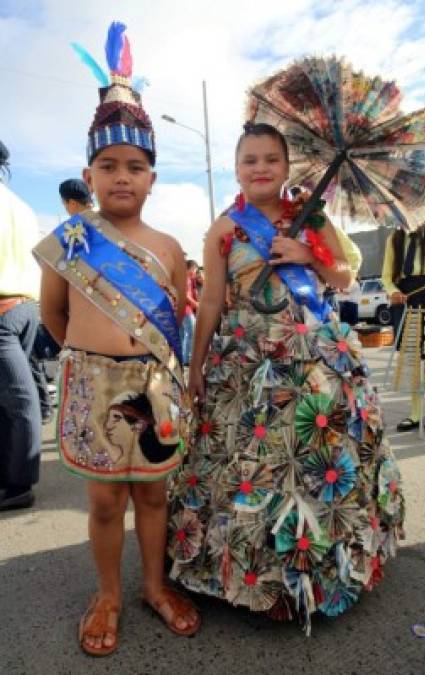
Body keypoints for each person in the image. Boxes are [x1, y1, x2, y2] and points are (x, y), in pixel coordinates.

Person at [168, 122, 405, 633]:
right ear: (237, 168)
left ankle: (322, 571)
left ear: (286, 166)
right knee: (253, 464)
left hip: (313, 358)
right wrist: (196, 366)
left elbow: (344, 275)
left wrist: (308, 256)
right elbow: (210, 301)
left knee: (315, 456)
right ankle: (249, 570)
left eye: (270, 159)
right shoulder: (224, 229)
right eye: (250, 159)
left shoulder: (310, 215)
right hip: (247, 362)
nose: (260, 168)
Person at [33, 22, 199, 656]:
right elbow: (54, 317)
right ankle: (107, 593)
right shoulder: (70, 244)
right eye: (108, 166)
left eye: (135, 166)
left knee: (153, 493)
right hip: (92, 384)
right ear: (89, 172)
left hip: (154, 388)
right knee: (105, 503)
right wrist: (94, 361)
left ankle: (154, 586)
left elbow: (176, 322)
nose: (121, 177)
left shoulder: (169, 247)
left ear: (153, 177)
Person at [0, 140, 42, 511]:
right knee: (12, 397)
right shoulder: (22, 206)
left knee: (17, 398)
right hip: (28, 306)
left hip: (3, 309)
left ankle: (18, 483)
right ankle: (10, 476)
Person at [381, 222, 425, 432]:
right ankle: (414, 414)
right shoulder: (394, 237)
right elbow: (386, 275)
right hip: (404, 299)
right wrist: (393, 291)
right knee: (411, 359)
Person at [179, 259, 199, 365]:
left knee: (183, 334)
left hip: (181, 310)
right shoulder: (185, 279)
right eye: (194, 270)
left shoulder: (187, 279)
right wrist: (195, 304)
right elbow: (185, 295)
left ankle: (182, 359)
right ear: (190, 268)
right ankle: (187, 359)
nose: (195, 273)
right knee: (191, 333)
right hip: (186, 310)